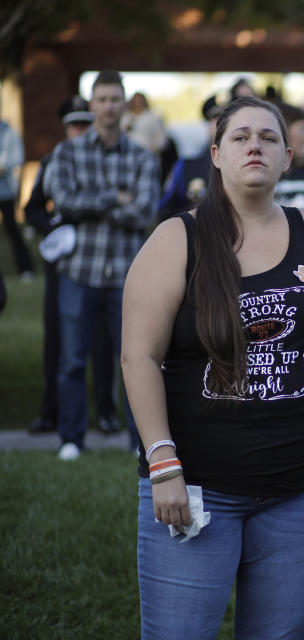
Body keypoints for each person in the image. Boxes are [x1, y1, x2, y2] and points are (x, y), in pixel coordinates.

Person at [121, 96, 304, 638]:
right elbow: (139, 357)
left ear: (288, 158)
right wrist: (163, 463)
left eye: (269, 138)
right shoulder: (176, 238)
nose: (255, 144)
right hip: (197, 488)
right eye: (241, 137)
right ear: (217, 155)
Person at [44, 70, 159, 460]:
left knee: (133, 359)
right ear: (91, 104)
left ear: (125, 104)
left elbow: (144, 211)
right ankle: (71, 439)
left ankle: (136, 441)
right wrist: (115, 197)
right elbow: (63, 202)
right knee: (72, 360)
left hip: (128, 276)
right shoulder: (68, 153)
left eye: (115, 99)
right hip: (79, 272)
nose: (109, 106)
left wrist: (93, 201)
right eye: (102, 99)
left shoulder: (142, 155)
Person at [24, 96, 120, 435]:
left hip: (102, 258)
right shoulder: (54, 159)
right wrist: (55, 230)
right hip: (65, 259)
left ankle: (106, 412)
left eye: (84, 124)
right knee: (59, 337)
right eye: (73, 125)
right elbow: (32, 208)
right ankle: (51, 411)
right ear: (65, 128)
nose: (79, 130)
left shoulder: (104, 158)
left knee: (105, 340)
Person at [157, 95, 221, 222]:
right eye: (216, 118)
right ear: (208, 124)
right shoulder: (187, 166)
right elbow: (164, 212)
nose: (222, 123)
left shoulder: (250, 166)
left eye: (228, 118)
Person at [0, 112, 33, 279]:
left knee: (12, 229)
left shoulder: (7, 132)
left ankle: (25, 268)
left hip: (4, 191)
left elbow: (14, 159)